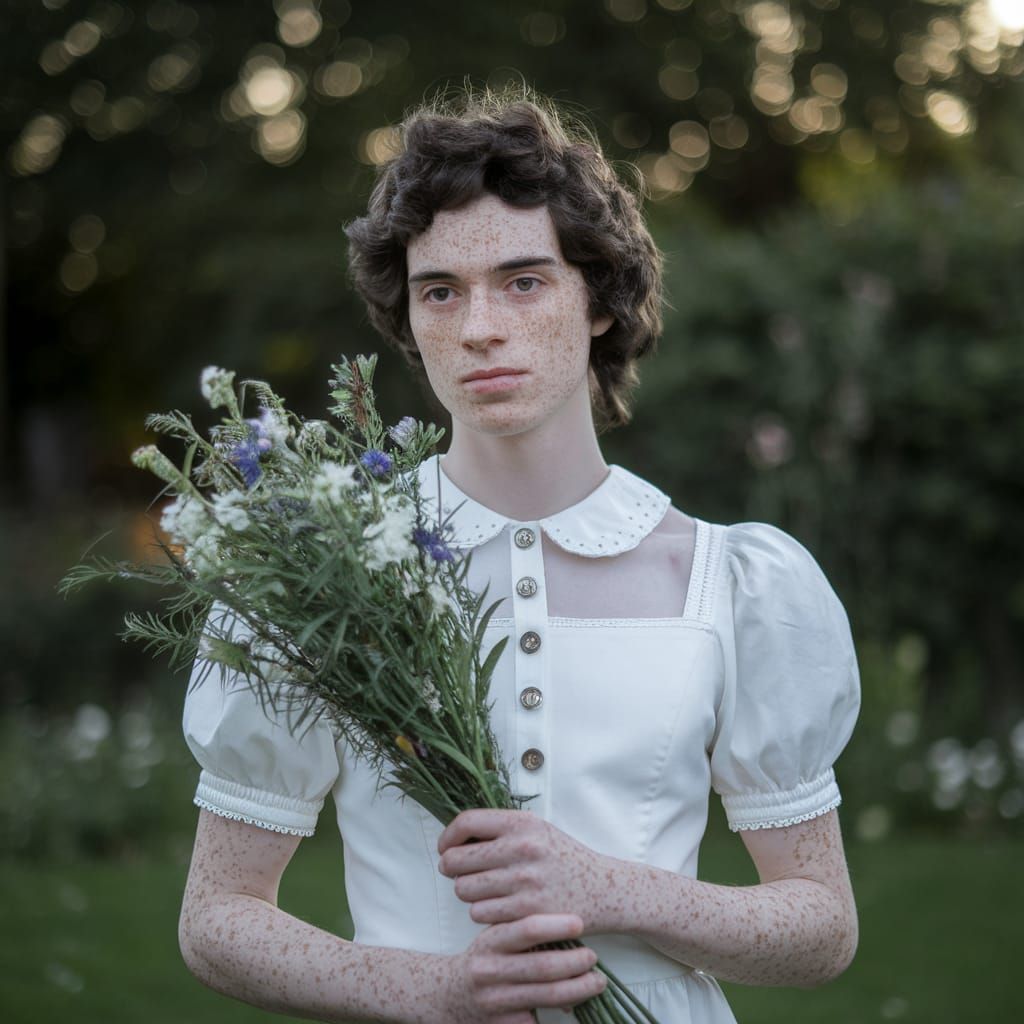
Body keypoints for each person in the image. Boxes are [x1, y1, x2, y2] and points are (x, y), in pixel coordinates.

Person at [178, 89, 861, 1024]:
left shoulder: (725, 580)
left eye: (524, 280)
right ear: (409, 319)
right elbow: (217, 916)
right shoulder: (325, 583)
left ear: (598, 300)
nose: (479, 327)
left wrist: (613, 888)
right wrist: (438, 991)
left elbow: (822, 928)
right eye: (440, 291)